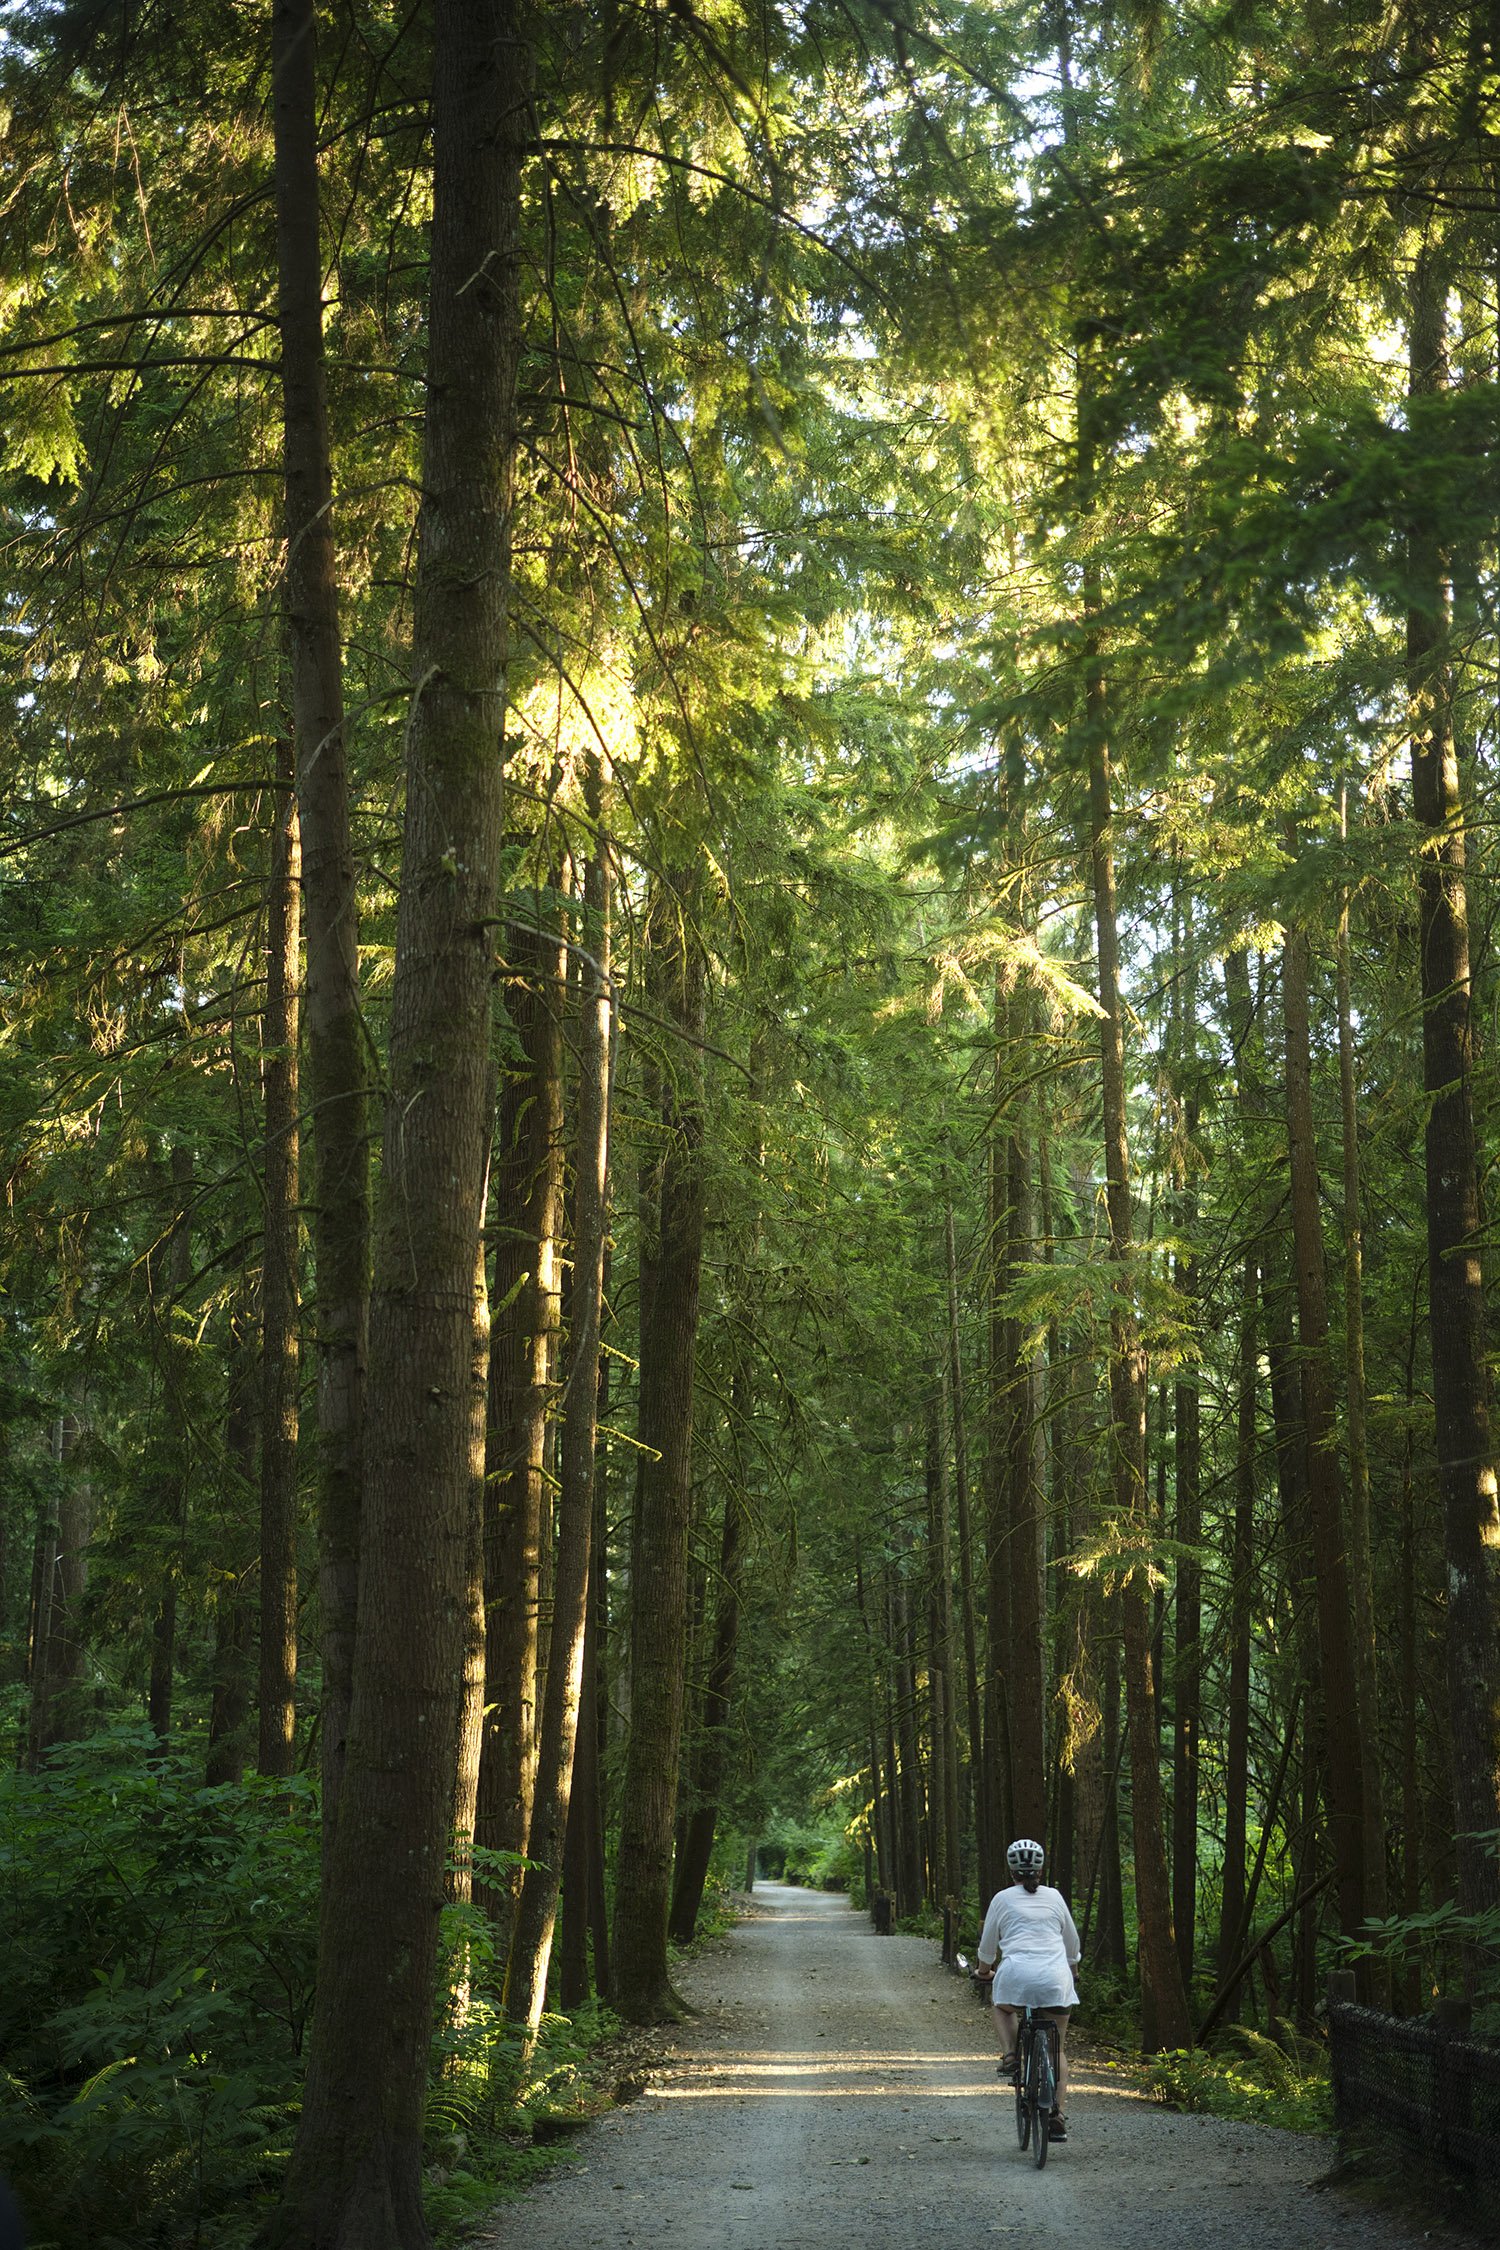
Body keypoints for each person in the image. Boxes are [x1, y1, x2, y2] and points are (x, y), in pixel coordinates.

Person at [975, 1837, 1080, 2142]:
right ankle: (1057, 2113)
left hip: (1016, 1976)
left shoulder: (1002, 1899)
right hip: (1055, 1978)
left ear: (1011, 1871)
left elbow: (987, 1946)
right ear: (1041, 1869)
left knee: (1002, 2006)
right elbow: (1071, 1943)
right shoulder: (1056, 1897)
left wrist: (983, 1972)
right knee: (1056, 2046)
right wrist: (1073, 1971)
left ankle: (1010, 2055)